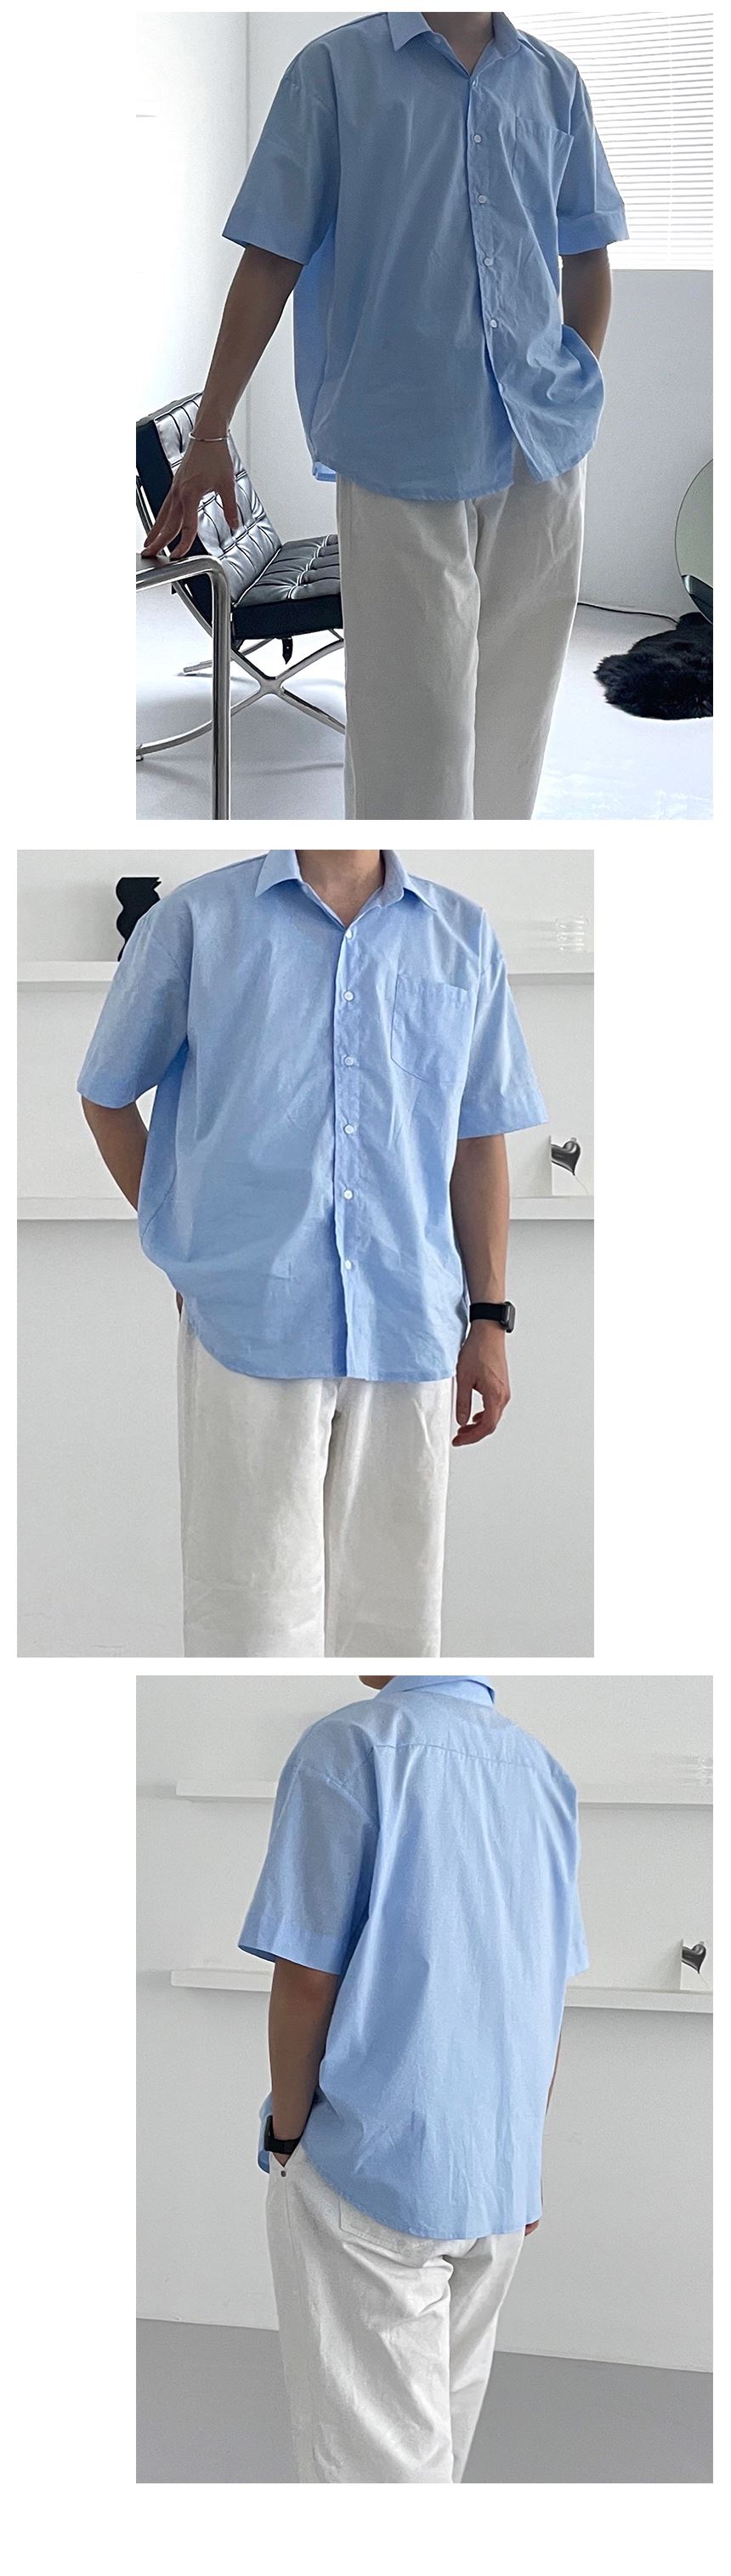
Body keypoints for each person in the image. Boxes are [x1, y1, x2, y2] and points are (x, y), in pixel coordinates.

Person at [141, 12, 627, 822]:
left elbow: (586, 251)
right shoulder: (333, 71)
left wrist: (575, 384)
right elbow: (270, 259)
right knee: (414, 745)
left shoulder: (555, 81)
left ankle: (484, 877)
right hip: (400, 449)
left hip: (543, 450)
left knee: (516, 730)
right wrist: (212, 431)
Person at [77, 850, 546, 1656]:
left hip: (411, 1324)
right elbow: (106, 1094)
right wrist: (180, 1243)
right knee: (249, 1624)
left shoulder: (461, 933)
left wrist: (490, 1319)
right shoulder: (195, 922)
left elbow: (478, 1137)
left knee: (396, 1632)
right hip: (251, 1321)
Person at [240, 1671, 588, 2483]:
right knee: (437, 2451)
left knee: (377, 2470)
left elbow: (306, 1976)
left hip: (368, 2165)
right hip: (497, 2176)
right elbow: (547, 1991)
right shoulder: (543, 1771)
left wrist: (287, 2134)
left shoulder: (351, 1743)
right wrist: (524, 2158)